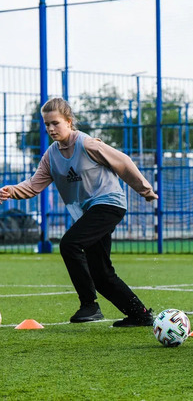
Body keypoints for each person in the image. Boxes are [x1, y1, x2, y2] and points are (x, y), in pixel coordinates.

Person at [0, 98, 158, 327]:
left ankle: (89, 305)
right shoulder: (51, 156)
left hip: (109, 204)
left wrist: (145, 190)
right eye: (46, 124)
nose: (50, 129)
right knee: (101, 274)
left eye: (55, 123)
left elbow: (122, 162)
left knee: (70, 243)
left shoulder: (88, 144)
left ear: (69, 121)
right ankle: (140, 315)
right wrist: (11, 190)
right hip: (89, 213)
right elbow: (34, 185)